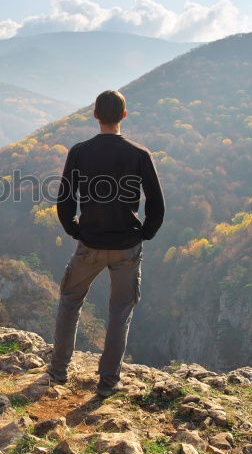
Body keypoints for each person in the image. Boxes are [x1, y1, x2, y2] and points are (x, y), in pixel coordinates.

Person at [47, 89, 165, 397]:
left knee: (70, 301)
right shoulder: (139, 154)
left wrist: (74, 228)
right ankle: (108, 382)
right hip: (127, 245)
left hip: (90, 243)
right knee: (120, 310)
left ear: (96, 115)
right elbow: (156, 201)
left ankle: (58, 371)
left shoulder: (79, 152)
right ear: (124, 115)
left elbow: (65, 198)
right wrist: (146, 232)